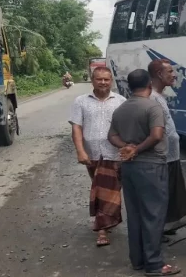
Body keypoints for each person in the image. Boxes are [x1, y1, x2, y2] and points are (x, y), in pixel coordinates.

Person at [107, 69, 180, 276]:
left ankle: (138, 260)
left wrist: (126, 147)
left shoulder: (121, 109)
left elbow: (111, 135)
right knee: (154, 215)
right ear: (149, 83)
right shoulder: (152, 106)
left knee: (136, 214)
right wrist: (136, 149)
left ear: (129, 86)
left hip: (129, 168)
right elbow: (157, 135)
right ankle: (155, 265)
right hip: (152, 166)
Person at [69, 67, 126, 247]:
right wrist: (80, 150)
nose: (103, 82)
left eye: (106, 80)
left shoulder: (121, 101)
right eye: (99, 79)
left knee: (110, 190)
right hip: (92, 154)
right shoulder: (81, 101)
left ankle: (103, 225)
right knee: (100, 189)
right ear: (92, 80)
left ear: (111, 81)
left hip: (115, 154)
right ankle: (104, 224)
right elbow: (76, 127)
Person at [147, 60, 186, 238]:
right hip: (162, 156)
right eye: (170, 71)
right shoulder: (152, 98)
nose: (174, 75)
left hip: (171, 155)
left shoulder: (159, 96)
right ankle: (157, 231)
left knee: (171, 194)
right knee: (161, 195)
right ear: (159, 74)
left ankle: (165, 226)